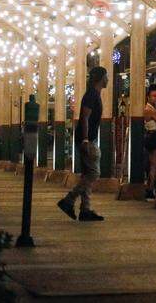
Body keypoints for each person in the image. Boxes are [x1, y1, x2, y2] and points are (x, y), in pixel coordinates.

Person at [58, 66, 107, 222]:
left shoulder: (94, 94)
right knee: (93, 173)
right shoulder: (91, 95)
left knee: (87, 174)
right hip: (86, 139)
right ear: (100, 78)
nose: (108, 79)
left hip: (87, 138)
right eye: (106, 76)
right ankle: (68, 200)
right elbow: (85, 117)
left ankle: (85, 210)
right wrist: (85, 139)